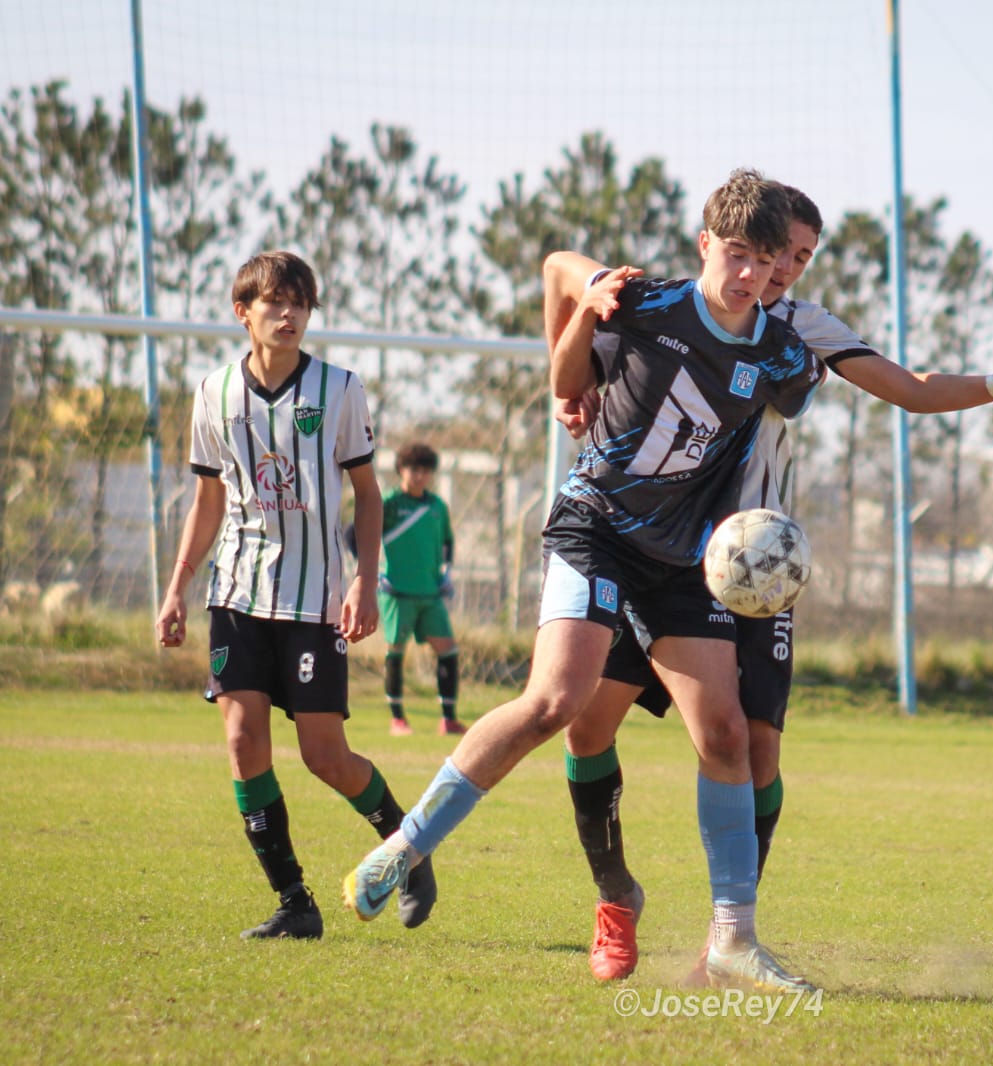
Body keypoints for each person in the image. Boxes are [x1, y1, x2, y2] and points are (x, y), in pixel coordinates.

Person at [551, 184, 993, 981]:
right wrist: (569, 391)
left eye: (799, 259)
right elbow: (562, 277)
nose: (783, 272)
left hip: (754, 567)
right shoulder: (669, 306)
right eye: (776, 252)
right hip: (655, 553)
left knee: (752, 743)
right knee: (588, 727)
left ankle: (728, 937)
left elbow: (909, 389)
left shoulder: (803, 329)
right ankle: (613, 898)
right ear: (737, 244)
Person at [342, 169, 824, 992]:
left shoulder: (784, 354)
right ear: (706, 245)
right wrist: (586, 309)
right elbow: (565, 369)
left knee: (727, 739)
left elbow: (816, 394)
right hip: (595, 526)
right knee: (555, 703)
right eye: (736, 254)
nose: (750, 274)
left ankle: (732, 942)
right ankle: (405, 844)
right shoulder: (646, 303)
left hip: (682, 561)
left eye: (768, 260)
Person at [153, 250, 436, 940]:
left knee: (324, 756)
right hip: (238, 593)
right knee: (243, 739)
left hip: (314, 600)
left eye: (300, 304)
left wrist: (365, 580)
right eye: (275, 302)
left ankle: (408, 848)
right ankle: (294, 902)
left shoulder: (339, 389)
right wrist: (177, 588)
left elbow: (367, 497)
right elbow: (207, 500)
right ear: (243, 312)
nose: (289, 315)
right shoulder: (213, 393)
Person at [378, 442, 465, 737]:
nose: (420, 476)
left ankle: (449, 719)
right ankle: (398, 719)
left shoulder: (437, 506)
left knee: (448, 649)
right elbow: (357, 534)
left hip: (430, 593)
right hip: (397, 591)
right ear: (401, 470)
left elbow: (447, 543)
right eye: (414, 469)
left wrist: (446, 574)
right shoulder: (389, 502)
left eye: (426, 471)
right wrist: (366, 570)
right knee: (396, 650)